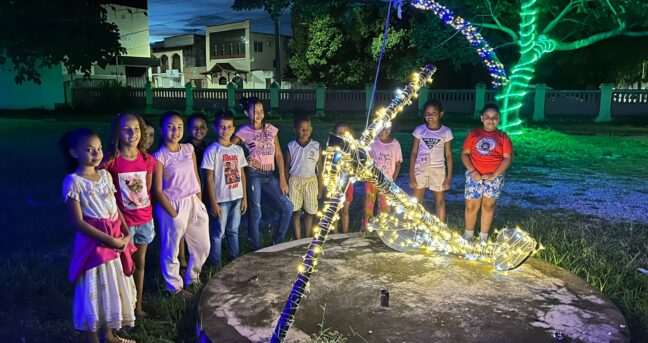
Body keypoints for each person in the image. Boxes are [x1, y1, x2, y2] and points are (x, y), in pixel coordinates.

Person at [61, 128, 137, 343]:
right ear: (74, 153)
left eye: (99, 148)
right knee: (94, 288)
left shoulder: (104, 175)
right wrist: (109, 240)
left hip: (115, 240)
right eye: (89, 149)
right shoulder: (73, 182)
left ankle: (110, 334)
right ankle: (93, 337)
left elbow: (115, 207)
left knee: (112, 284)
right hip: (94, 246)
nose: (96, 153)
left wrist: (125, 231)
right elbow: (78, 222)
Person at [101, 113, 157, 318]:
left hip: (145, 221)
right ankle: (123, 308)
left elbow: (148, 190)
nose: (132, 133)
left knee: (140, 263)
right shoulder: (111, 162)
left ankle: (138, 305)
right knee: (125, 266)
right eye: (127, 129)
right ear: (118, 132)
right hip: (123, 225)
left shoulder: (147, 160)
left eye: (136, 128)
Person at [153, 111, 210, 297]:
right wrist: (174, 214)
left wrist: (199, 202)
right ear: (162, 130)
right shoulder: (159, 156)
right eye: (170, 127)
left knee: (202, 245)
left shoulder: (188, 149)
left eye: (179, 127)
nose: (175, 131)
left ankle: (193, 277)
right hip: (172, 205)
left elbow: (195, 176)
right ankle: (175, 287)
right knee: (172, 248)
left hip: (193, 201)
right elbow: (157, 190)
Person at [232, 97, 293, 250]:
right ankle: (256, 248)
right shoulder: (243, 132)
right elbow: (229, 149)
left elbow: (279, 154)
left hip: (270, 175)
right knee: (256, 211)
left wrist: (282, 177)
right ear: (247, 113)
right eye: (255, 111)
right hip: (254, 175)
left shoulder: (271, 129)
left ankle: (277, 242)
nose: (259, 115)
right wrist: (245, 161)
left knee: (288, 206)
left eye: (261, 111)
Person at [202, 109, 248, 266]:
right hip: (221, 199)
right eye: (222, 127)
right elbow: (208, 178)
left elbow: (242, 174)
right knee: (218, 234)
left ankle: (234, 262)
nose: (226, 130)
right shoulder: (212, 151)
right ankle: (216, 265)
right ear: (216, 128)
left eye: (229, 127)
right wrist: (213, 202)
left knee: (233, 230)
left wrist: (245, 198)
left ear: (234, 129)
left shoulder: (238, 150)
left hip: (237, 197)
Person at [462, 103, 513, 242]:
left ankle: (483, 238)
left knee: (488, 206)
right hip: (474, 175)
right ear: (481, 118)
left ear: (499, 119)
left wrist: (495, 175)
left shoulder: (503, 137)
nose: (491, 120)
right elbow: (465, 154)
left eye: (494, 117)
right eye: (487, 117)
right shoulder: (474, 134)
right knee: (471, 206)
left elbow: (507, 158)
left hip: (494, 177)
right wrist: (473, 171)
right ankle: (468, 235)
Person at [409, 100, 453, 223]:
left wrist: (448, 177)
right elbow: (413, 153)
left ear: (441, 114)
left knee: (439, 201)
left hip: (438, 170)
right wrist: (412, 175)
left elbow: (449, 155)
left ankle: (440, 231)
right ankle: (415, 226)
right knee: (417, 201)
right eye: (427, 113)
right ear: (424, 115)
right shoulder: (419, 130)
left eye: (434, 113)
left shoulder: (446, 131)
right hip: (420, 168)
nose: (430, 116)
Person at [285, 115, 322, 239]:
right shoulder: (291, 146)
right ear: (295, 130)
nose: (305, 131)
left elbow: (320, 168)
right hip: (295, 181)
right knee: (295, 211)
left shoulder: (316, 145)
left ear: (311, 129)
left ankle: (307, 237)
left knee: (309, 211)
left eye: (307, 128)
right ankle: (297, 238)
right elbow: (286, 167)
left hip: (311, 181)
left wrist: (320, 187)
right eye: (301, 129)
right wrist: (285, 183)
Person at [364, 126, 402, 231]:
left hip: (387, 181)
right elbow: (366, 160)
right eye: (381, 127)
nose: (383, 130)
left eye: (387, 128)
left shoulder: (395, 144)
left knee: (385, 207)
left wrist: (393, 179)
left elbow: (398, 164)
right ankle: (367, 229)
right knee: (369, 206)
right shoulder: (372, 141)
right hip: (372, 180)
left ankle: (383, 230)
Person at [332, 122, 354, 233]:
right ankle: (334, 235)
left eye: (343, 132)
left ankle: (345, 233)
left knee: (344, 211)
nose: (340, 135)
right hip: (334, 183)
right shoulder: (331, 149)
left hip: (348, 184)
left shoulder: (352, 149)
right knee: (334, 210)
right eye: (338, 133)